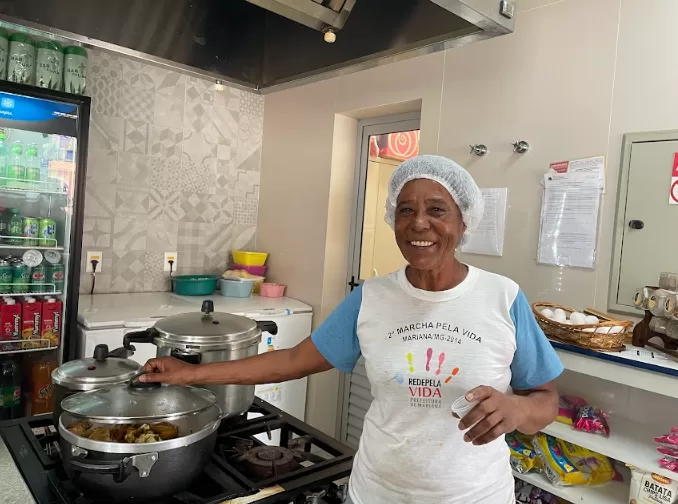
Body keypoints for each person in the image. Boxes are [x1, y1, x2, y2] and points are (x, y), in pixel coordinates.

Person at [141, 154, 563, 504]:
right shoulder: (372, 297)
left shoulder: (501, 296)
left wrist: (518, 410)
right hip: (376, 491)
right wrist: (190, 373)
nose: (419, 224)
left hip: (475, 496)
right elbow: (291, 360)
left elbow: (544, 400)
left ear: (463, 222)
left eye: (437, 210)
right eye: (406, 210)